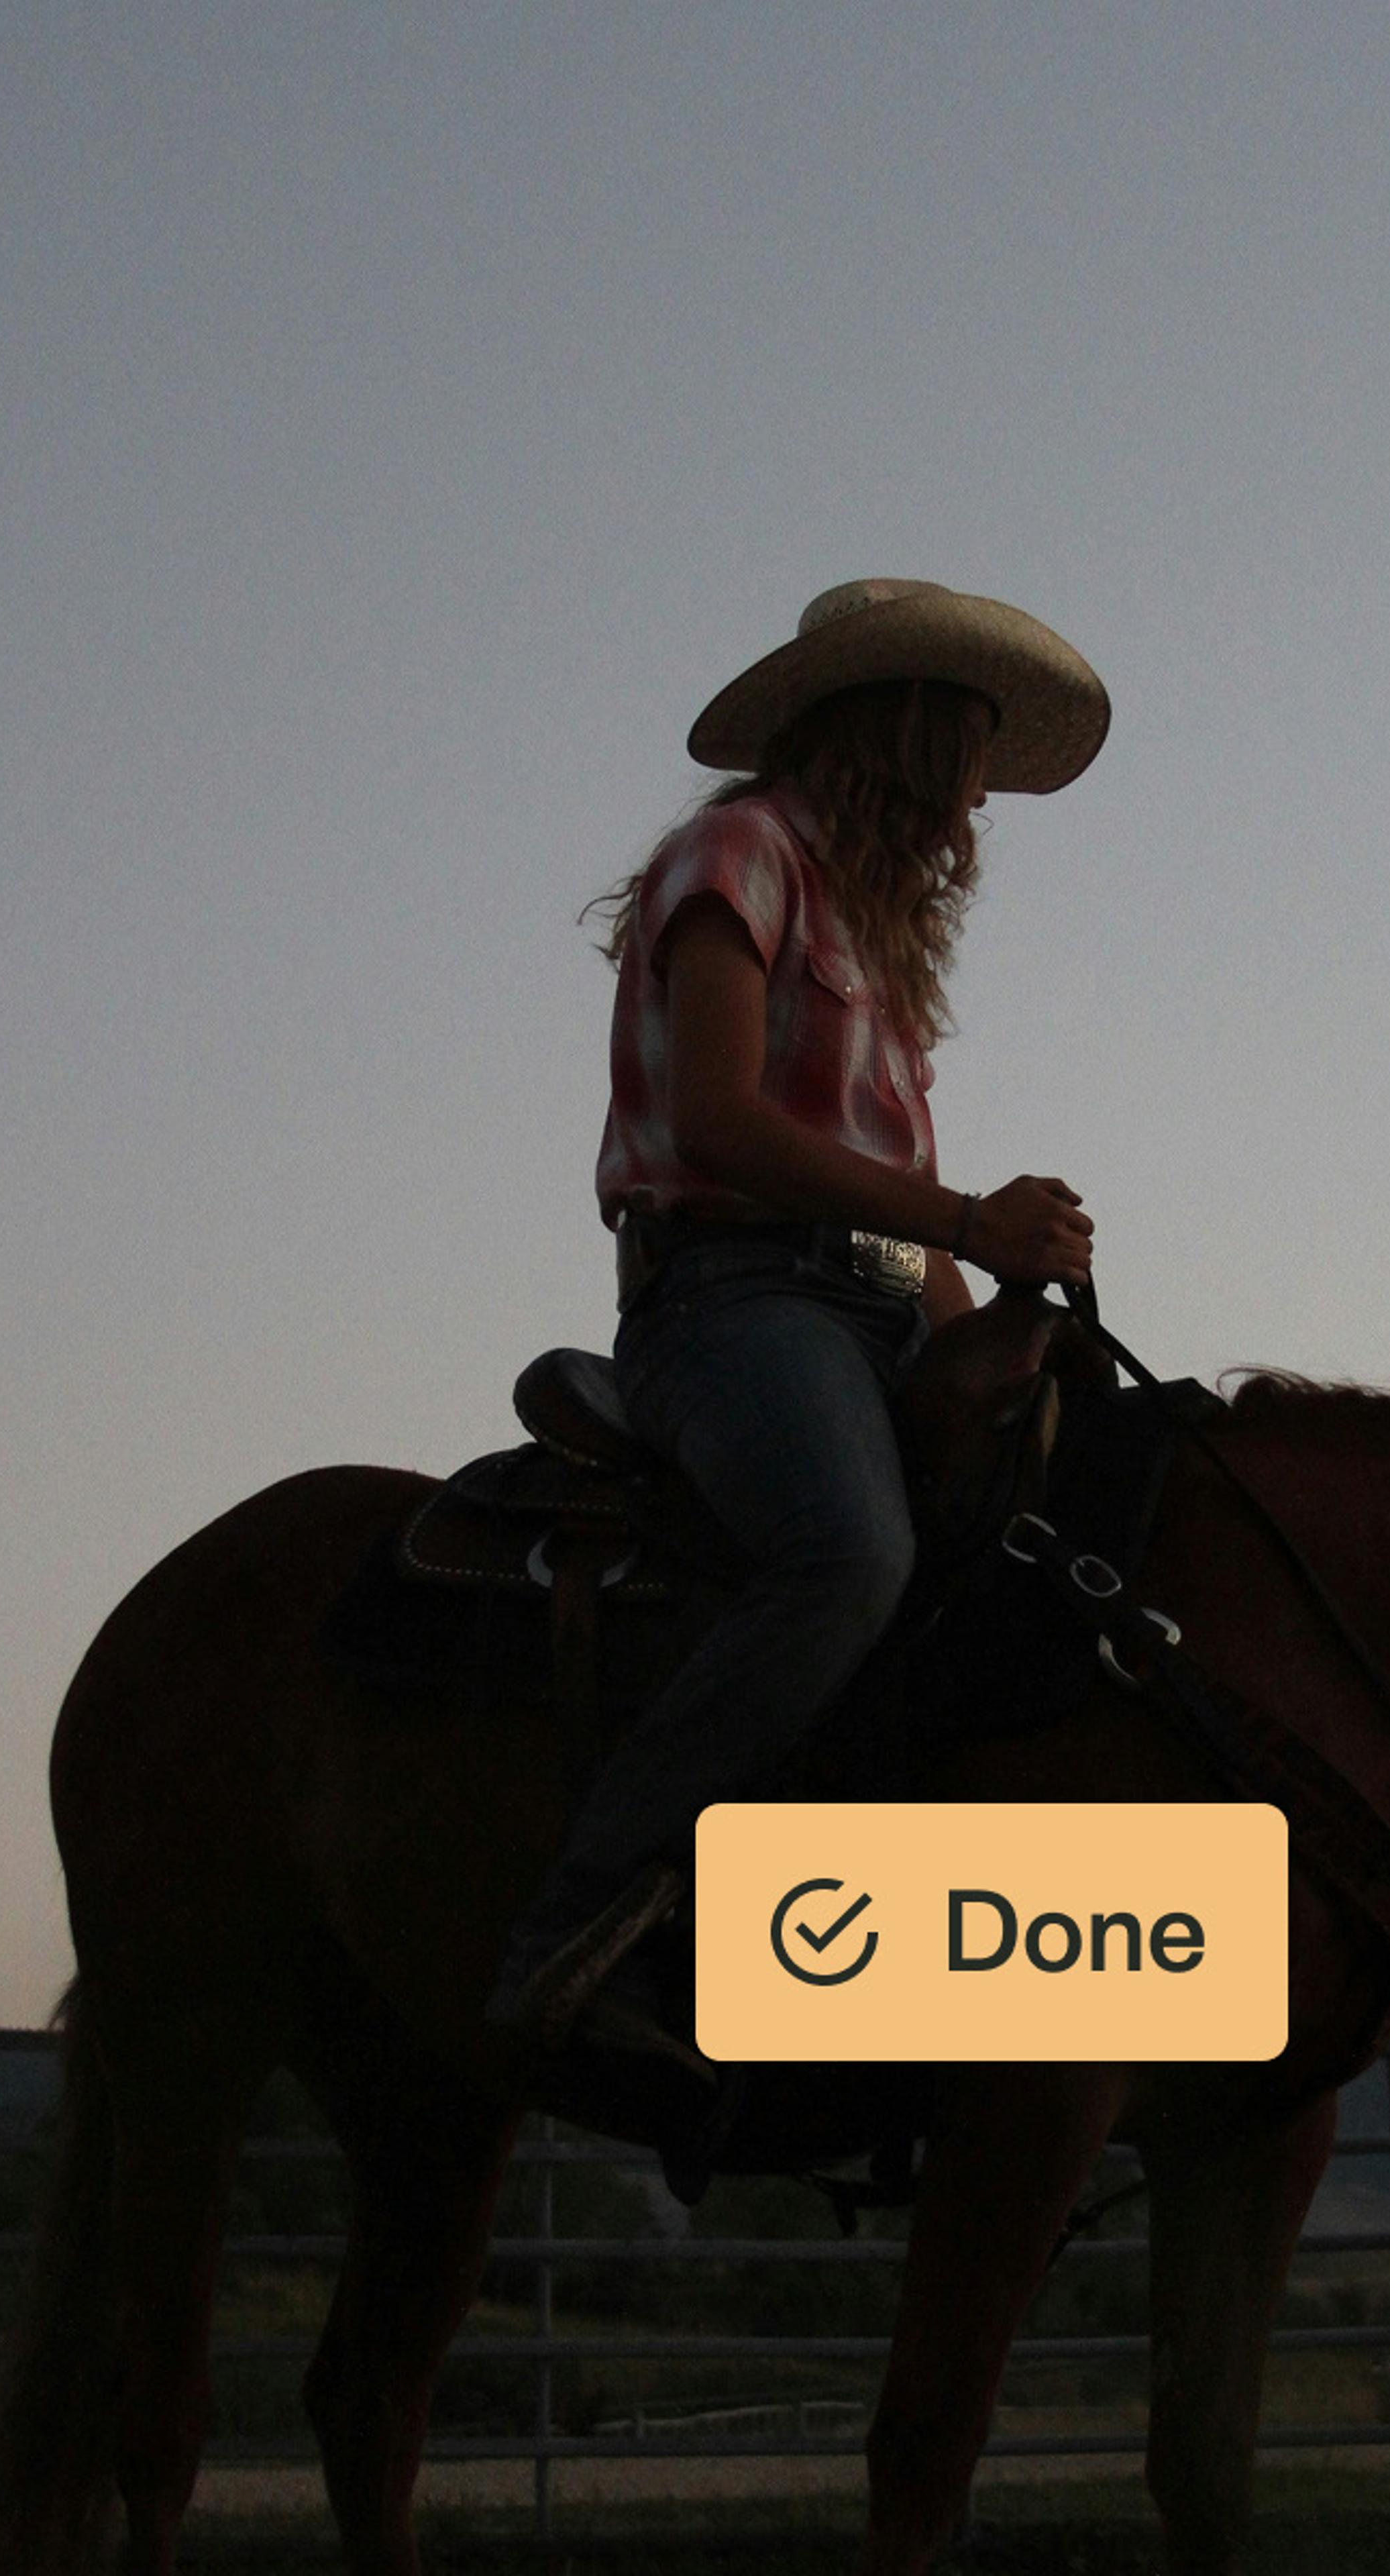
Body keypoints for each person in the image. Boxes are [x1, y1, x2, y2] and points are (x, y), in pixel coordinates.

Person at [487, 578, 1110, 2054]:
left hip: (874, 1307)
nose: (977, 795)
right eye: (969, 749)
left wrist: (993, 1320)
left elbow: (903, 1202)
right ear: (899, 728)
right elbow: (716, 1120)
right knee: (848, 1555)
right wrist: (968, 1223)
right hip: (730, 1298)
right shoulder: (738, 854)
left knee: (1053, 1530)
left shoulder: (876, 944)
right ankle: (575, 1928)